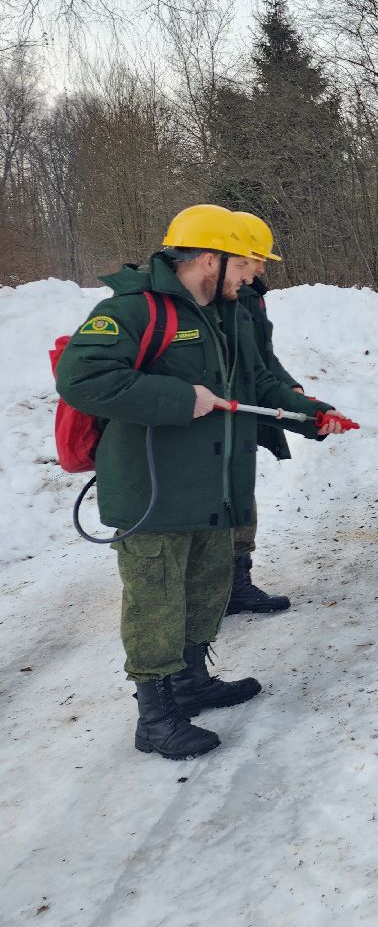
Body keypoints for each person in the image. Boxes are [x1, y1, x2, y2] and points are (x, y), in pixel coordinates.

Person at [56, 204, 354, 760]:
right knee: (157, 600)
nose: (251, 277)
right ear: (210, 258)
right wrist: (179, 399)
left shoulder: (223, 314)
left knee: (206, 587)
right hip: (155, 493)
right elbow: (82, 378)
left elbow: (256, 380)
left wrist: (311, 414)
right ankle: (155, 717)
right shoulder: (132, 311)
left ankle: (191, 682)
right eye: (245, 265)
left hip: (214, 487)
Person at [227, 210, 305, 615]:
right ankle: (208, 596)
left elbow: (261, 357)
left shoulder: (251, 294)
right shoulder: (206, 299)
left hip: (244, 412)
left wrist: (288, 387)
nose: (259, 267)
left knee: (240, 496)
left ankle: (235, 583)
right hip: (213, 420)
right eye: (252, 258)